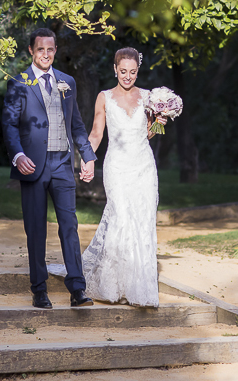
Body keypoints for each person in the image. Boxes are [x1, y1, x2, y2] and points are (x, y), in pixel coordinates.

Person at [2, 28, 97, 309]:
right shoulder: (18, 83)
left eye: (51, 49)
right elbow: (9, 124)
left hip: (62, 164)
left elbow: (76, 124)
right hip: (33, 165)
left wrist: (88, 156)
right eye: (41, 49)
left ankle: (77, 288)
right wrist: (18, 155)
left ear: (56, 50)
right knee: (35, 228)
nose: (46, 54)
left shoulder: (67, 82)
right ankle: (39, 289)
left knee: (69, 225)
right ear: (31, 51)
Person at [80, 47, 163, 307]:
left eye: (133, 72)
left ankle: (138, 288)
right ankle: (114, 285)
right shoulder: (104, 97)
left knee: (143, 221)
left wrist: (159, 121)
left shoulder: (149, 97)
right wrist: (87, 158)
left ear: (138, 70)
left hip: (143, 167)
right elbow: (96, 133)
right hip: (116, 167)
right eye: (123, 71)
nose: (128, 76)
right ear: (115, 69)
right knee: (121, 217)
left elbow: (149, 133)